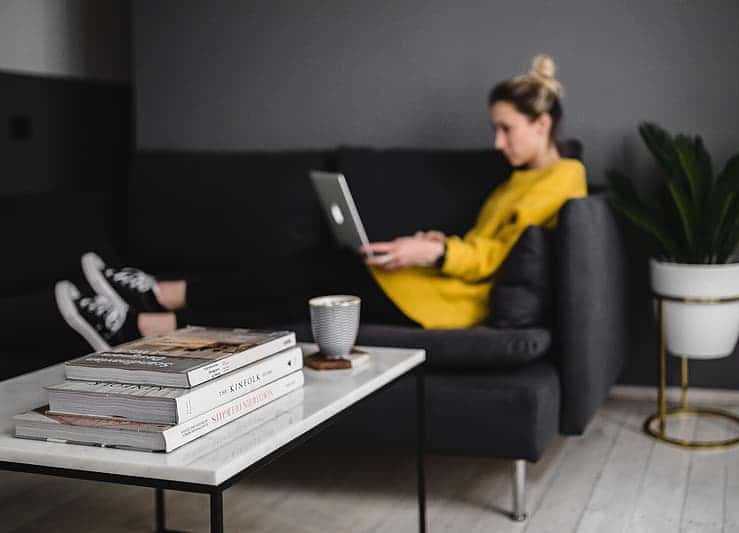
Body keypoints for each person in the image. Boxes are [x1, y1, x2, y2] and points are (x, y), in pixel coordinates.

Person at [55, 54, 587, 351]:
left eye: (506, 129)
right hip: (434, 284)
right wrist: (434, 243)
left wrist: (433, 254)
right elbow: (485, 242)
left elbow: (495, 258)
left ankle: (150, 302)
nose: (497, 143)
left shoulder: (563, 180)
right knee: (300, 280)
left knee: (310, 274)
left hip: (446, 306)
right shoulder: (522, 177)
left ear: (542, 124)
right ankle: (146, 314)